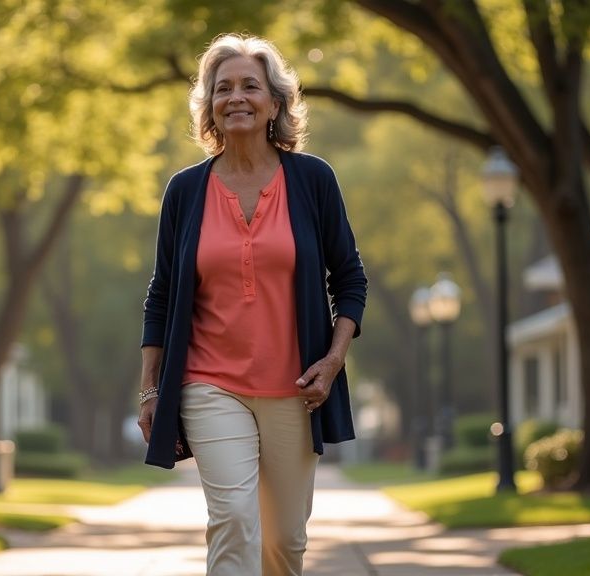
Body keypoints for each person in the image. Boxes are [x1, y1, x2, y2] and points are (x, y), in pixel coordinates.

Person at [138, 33, 367, 576]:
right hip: (208, 383)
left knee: (284, 543)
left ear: (274, 103)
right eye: (223, 88)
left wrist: (333, 361)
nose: (236, 97)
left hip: (295, 390)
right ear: (210, 107)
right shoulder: (185, 191)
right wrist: (150, 385)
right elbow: (162, 293)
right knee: (235, 522)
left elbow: (351, 279)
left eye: (250, 86)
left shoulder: (312, 180)